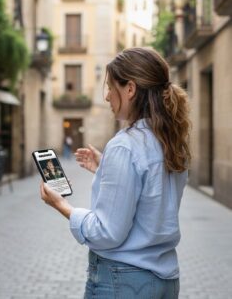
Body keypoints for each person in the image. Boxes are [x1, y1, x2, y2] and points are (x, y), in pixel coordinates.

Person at [39, 47, 191, 298]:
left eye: (110, 87)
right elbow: (152, 193)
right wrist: (106, 167)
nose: (107, 96)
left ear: (130, 89)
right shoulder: (171, 139)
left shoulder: (126, 144)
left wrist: (61, 205)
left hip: (123, 281)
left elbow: (106, 233)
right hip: (165, 280)